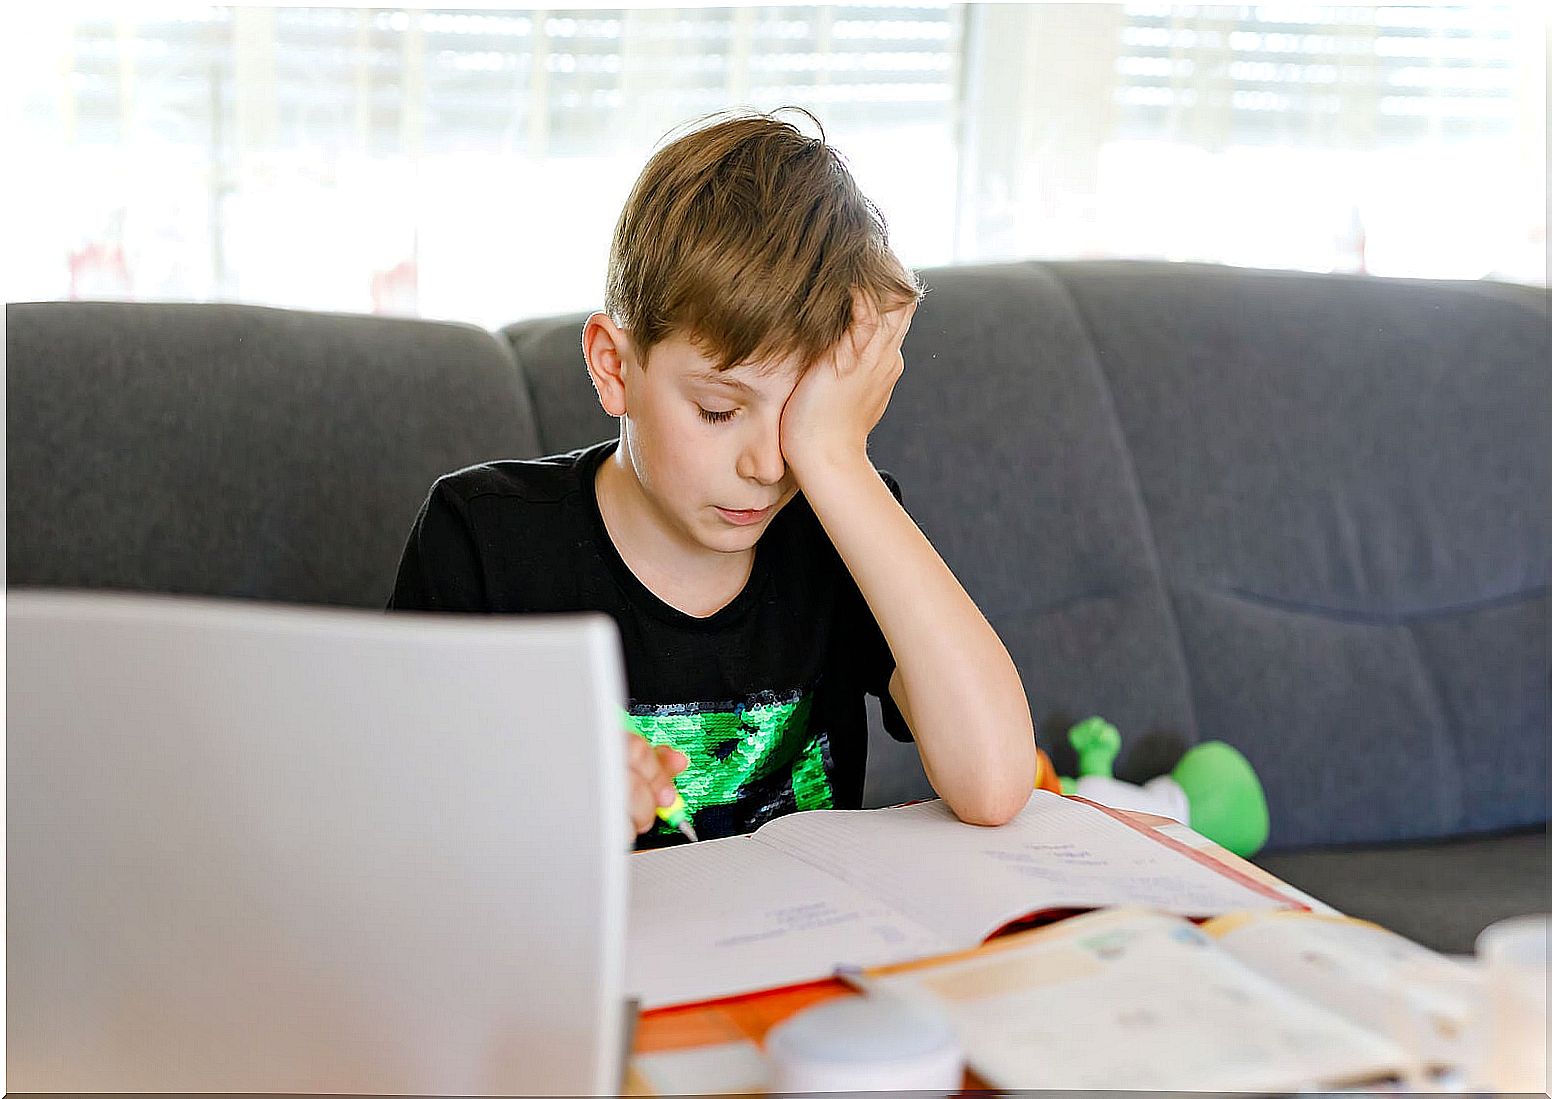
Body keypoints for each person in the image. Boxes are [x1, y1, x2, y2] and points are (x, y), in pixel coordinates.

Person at [389, 109, 1036, 848]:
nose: (767, 466)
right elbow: (398, 819)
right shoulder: (480, 538)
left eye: (802, 417)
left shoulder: (837, 519)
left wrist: (835, 460)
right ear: (614, 367)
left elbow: (994, 782)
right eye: (720, 410)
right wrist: (537, 794)